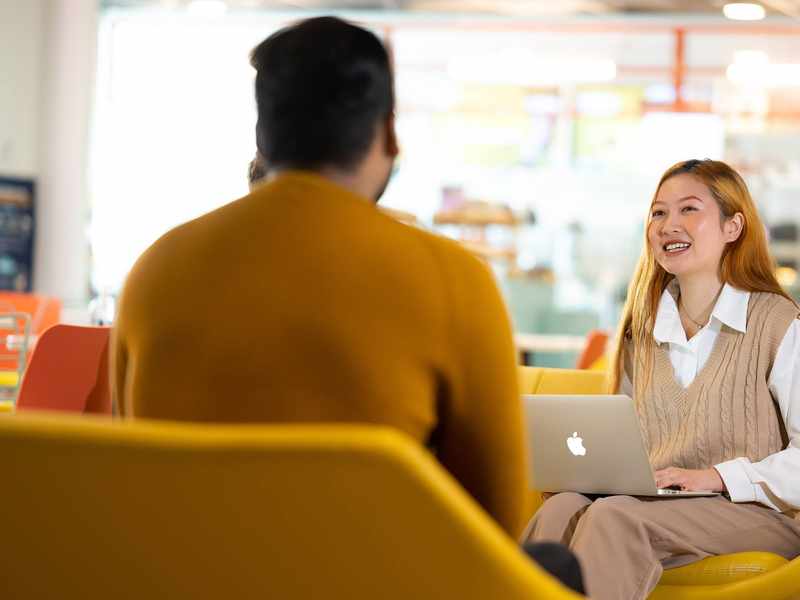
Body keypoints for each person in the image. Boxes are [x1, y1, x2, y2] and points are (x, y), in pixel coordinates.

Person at [113, 15, 527, 544]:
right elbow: (497, 524)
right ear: (390, 134)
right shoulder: (454, 279)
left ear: (262, 137)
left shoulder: (156, 269)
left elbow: (131, 467)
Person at [524, 158, 800, 599]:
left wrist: (717, 476)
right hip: (659, 504)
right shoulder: (643, 329)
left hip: (756, 512)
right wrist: (590, 476)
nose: (669, 224)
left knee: (613, 518)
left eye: (689, 209)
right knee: (561, 509)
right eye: (658, 213)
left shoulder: (779, 322)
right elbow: (620, 446)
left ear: (733, 227)